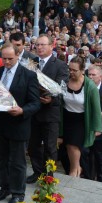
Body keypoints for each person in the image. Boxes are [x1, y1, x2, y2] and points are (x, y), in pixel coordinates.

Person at [0, 44, 40, 203]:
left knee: (17, 162)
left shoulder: (29, 75)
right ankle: (5, 187)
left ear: (18, 55)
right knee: (2, 160)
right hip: (0, 124)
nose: (6, 61)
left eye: (10, 58)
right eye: (4, 58)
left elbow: (35, 103)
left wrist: (22, 110)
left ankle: (18, 193)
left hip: (19, 124)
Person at [27, 34, 69, 183]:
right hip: (34, 111)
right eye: (37, 45)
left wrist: (51, 98)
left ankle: (49, 176)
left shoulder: (60, 64)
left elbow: (61, 87)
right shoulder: (31, 63)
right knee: (33, 146)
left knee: (50, 147)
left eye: (42, 45)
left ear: (51, 46)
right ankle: (37, 172)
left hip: (50, 112)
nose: (39, 47)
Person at [58, 56, 102, 178]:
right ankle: (77, 168)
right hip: (66, 117)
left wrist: (97, 127)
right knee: (67, 145)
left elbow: (96, 108)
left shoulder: (90, 86)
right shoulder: (65, 81)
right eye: (69, 69)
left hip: (81, 120)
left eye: (74, 70)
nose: (71, 72)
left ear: (82, 70)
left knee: (73, 144)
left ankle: (74, 170)